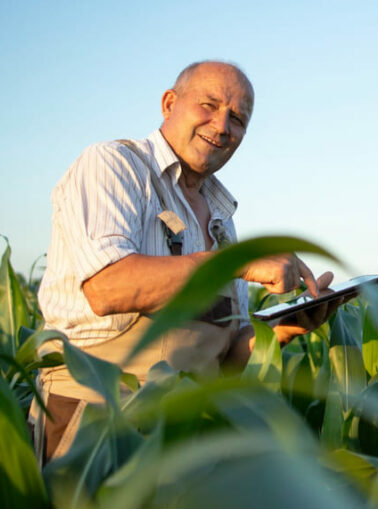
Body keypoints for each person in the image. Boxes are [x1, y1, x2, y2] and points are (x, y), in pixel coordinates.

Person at [34, 60, 335, 461]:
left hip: (184, 429)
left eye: (238, 119)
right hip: (99, 418)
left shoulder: (222, 217)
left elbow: (224, 359)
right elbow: (107, 287)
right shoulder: (114, 166)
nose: (222, 126)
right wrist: (236, 264)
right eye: (208, 105)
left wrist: (279, 331)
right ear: (169, 103)